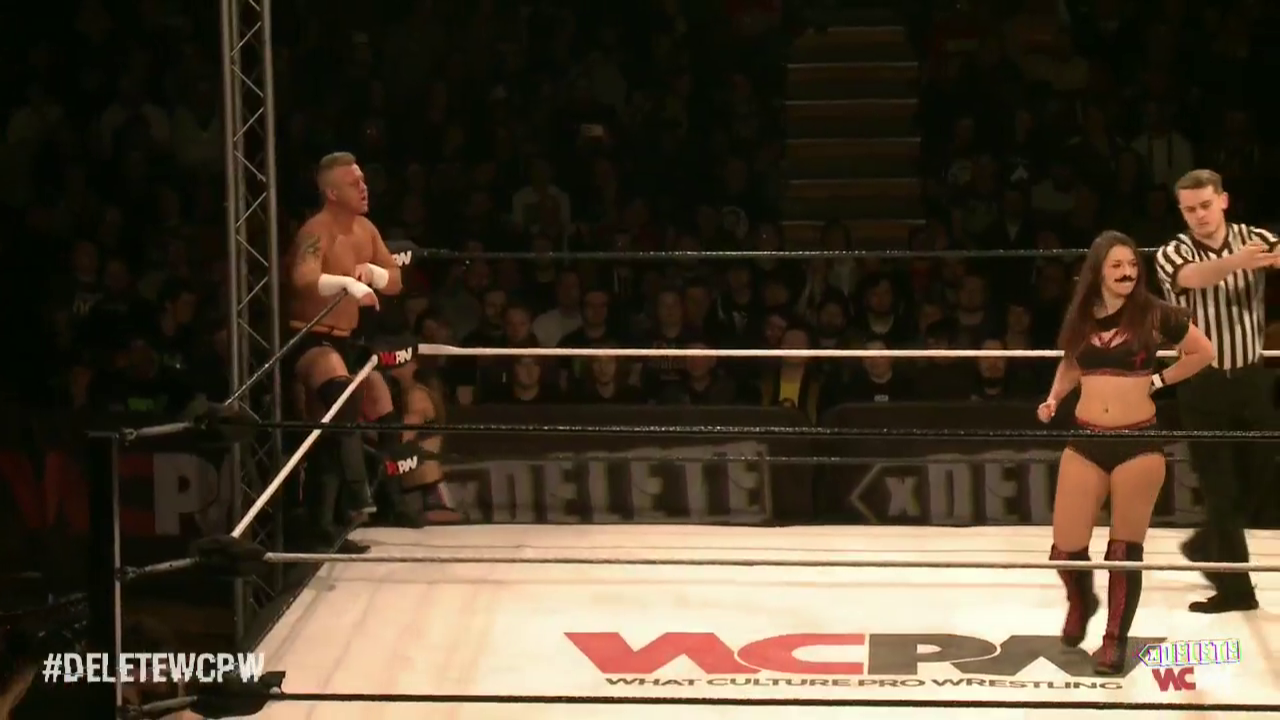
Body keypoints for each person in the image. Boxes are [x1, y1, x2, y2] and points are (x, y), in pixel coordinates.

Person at [1038, 230, 1213, 675]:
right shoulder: (1082, 315)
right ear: (1098, 271)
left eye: (1133, 264)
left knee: (1124, 549)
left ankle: (1114, 640)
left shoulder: (1154, 313)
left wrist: (1159, 380)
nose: (1127, 272)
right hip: (1086, 439)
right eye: (1117, 265)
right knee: (1065, 548)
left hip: (1138, 443)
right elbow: (1072, 362)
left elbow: (1202, 351)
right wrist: (1055, 398)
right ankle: (1082, 601)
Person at [1154, 169, 1276, 614]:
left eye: (1206, 205)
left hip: (1251, 379)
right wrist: (1241, 261)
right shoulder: (1173, 251)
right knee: (1220, 489)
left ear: (1223, 200)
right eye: (1189, 209)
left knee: (1263, 476)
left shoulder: (1253, 237)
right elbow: (1195, 278)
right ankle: (1236, 590)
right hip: (1201, 385)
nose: (1199, 215)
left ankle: (1208, 542)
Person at [285, 151, 404, 550]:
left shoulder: (366, 230)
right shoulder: (315, 230)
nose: (364, 187)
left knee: (380, 400)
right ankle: (357, 496)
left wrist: (373, 273)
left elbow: (396, 281)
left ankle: (387, 501)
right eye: (354, 184)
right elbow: (303, 278)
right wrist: (346, 283)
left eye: (363, 180)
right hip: (311, 338)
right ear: (332, 193)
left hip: (348, 340)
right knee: (341, 401)